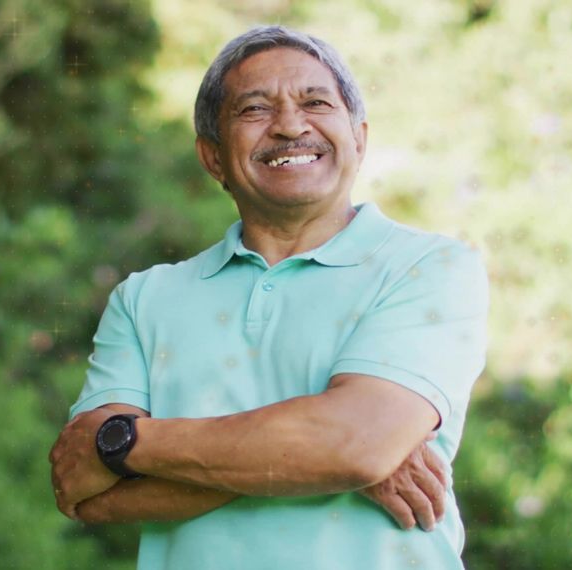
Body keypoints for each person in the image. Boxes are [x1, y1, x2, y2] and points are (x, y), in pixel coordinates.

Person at [49, 25, 488, 570]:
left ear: (359, 138)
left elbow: (357, 445)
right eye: (254, 109)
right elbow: (87, 491)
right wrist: (322, 457)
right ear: (213, 157)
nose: (290, 125)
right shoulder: (144, 298)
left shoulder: (431, 267)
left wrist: (125, 444)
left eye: (316, 102)